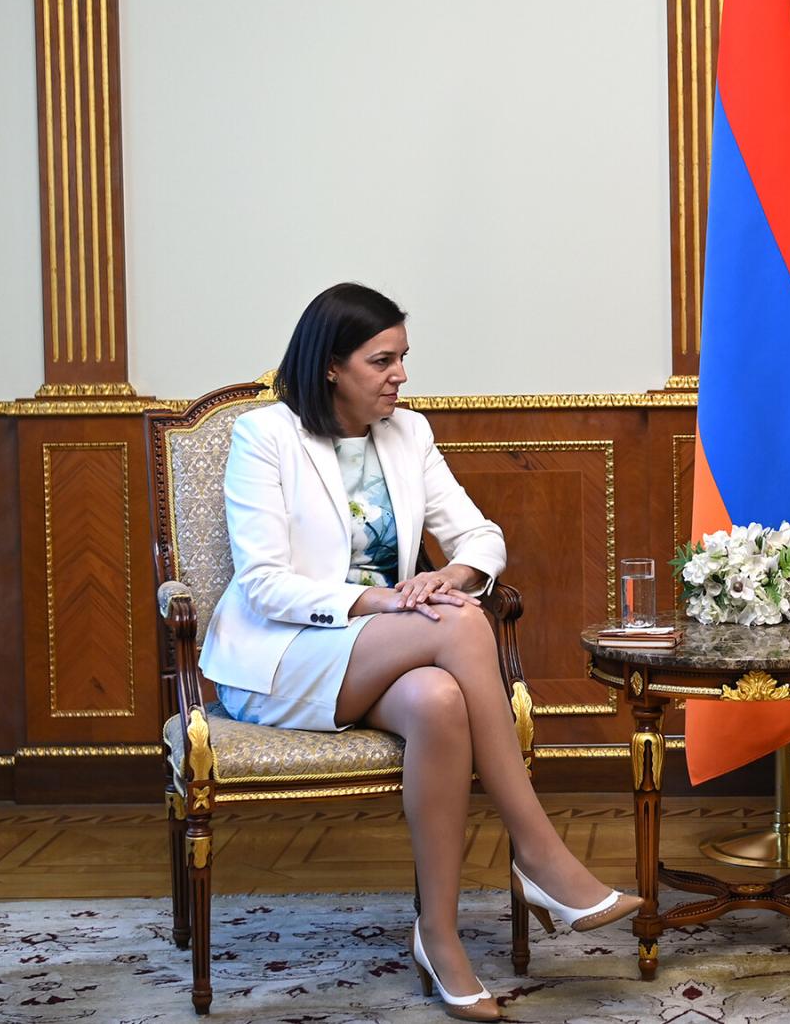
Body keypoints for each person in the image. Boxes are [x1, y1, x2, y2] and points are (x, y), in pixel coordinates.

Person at [199, 283, 640, 1021]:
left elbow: (482, 536)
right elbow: (265, 584)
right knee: (460, 626)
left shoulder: (409, 434)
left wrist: (449, 578)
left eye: (403, 357)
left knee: (439, 699)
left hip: (387, 648)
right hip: (284, 657)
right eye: (383, 361)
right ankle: (538, 852)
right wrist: (382, 601)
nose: (400, 375)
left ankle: (438, 936)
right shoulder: (265, 436)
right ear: (331, 365)